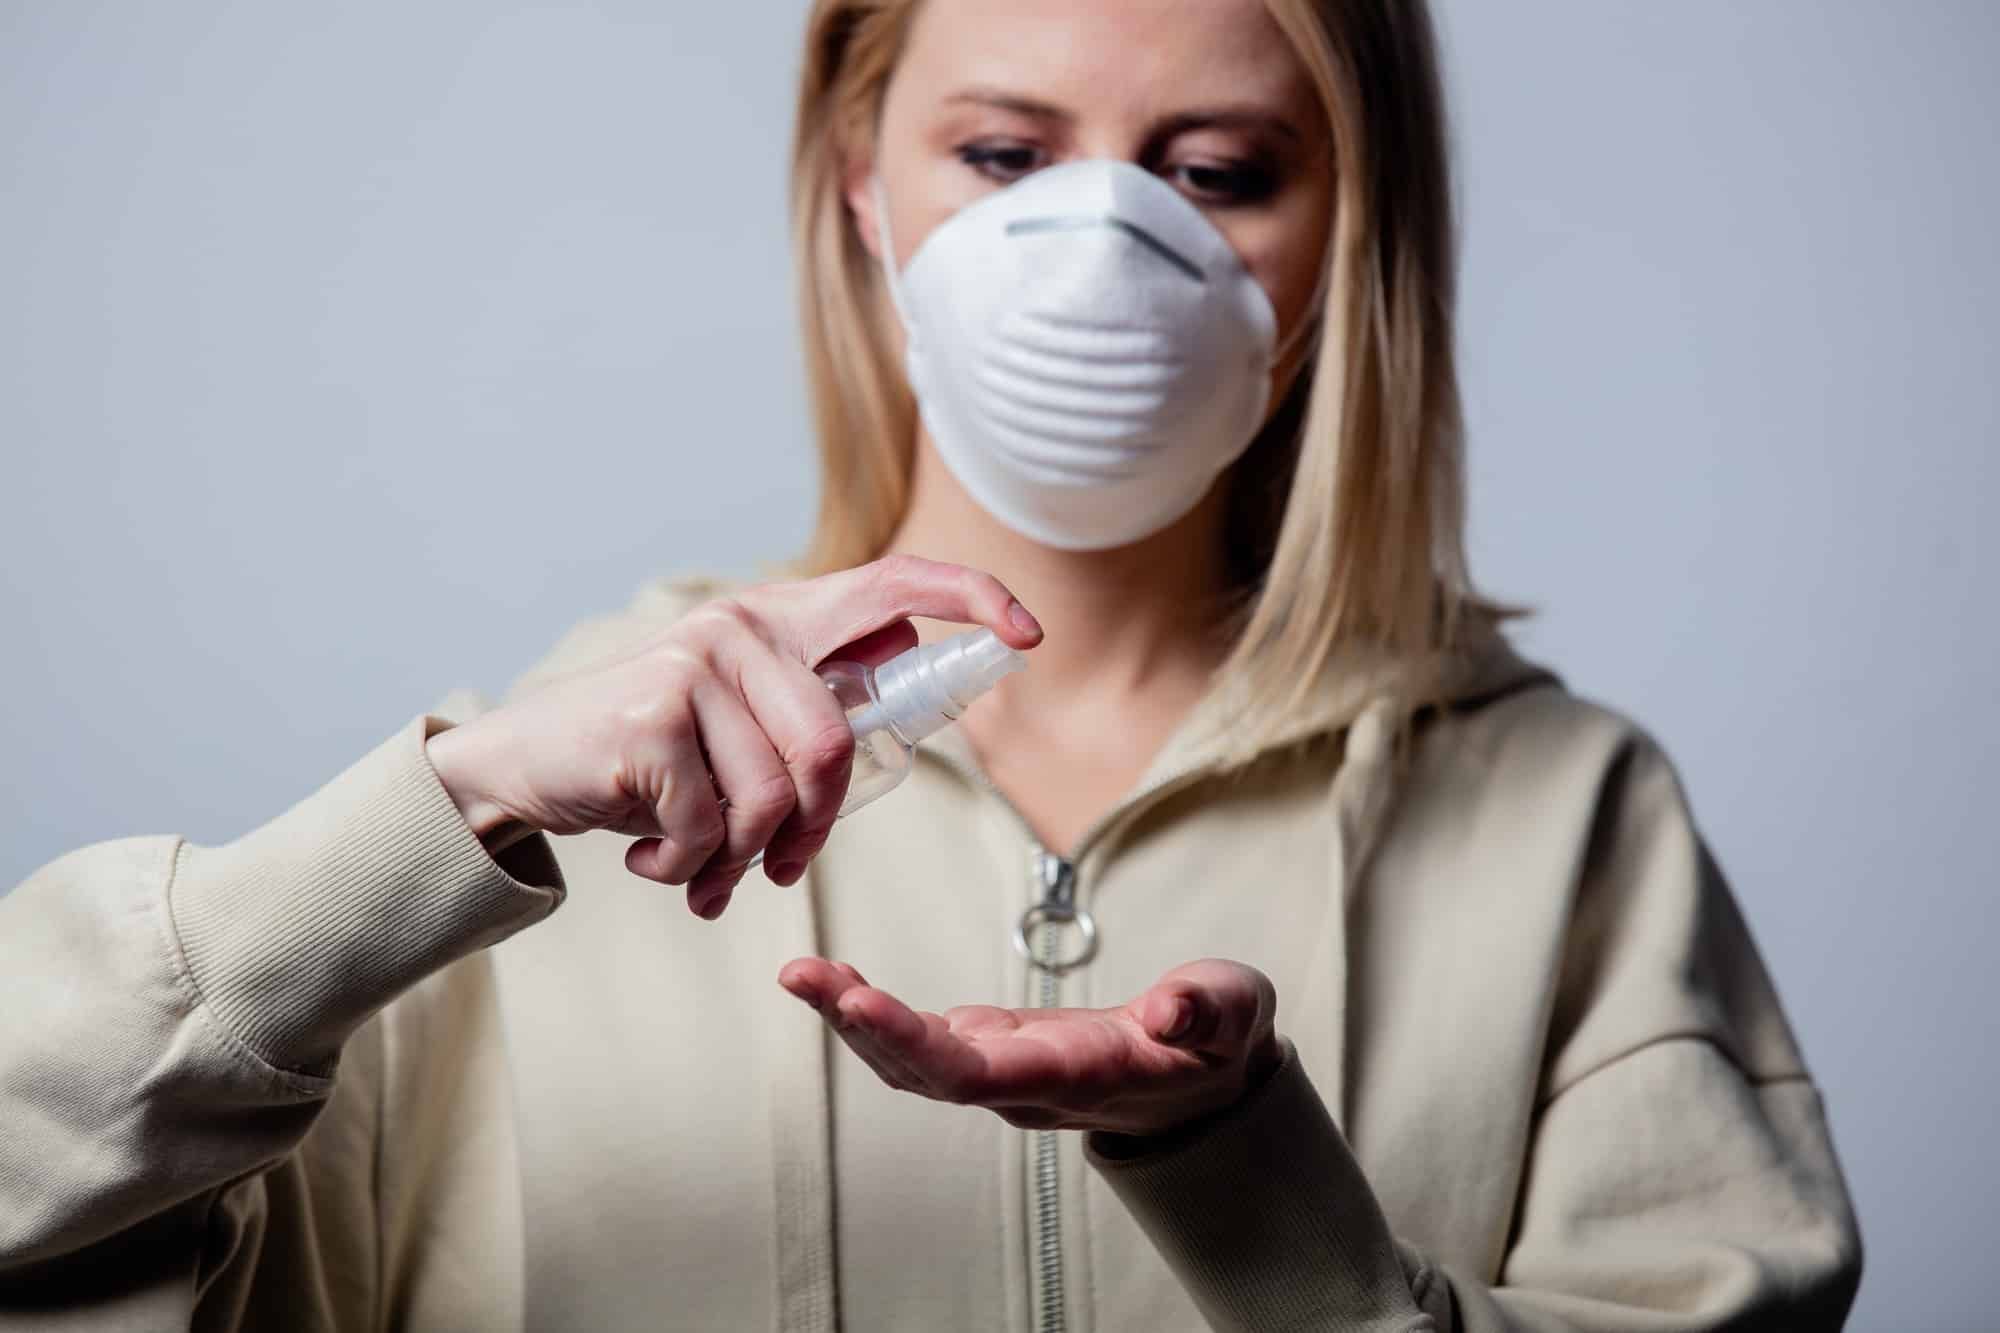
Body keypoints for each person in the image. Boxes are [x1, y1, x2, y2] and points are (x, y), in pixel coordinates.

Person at [0, 1, 1861, 1329]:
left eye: (1215, 170)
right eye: (1001, 153)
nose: (1102, 246)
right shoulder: (525, 849)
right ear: (859, 179)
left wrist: (1255, 1196)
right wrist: (440, 809)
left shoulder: (1566, 820)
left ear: (1343, 237)